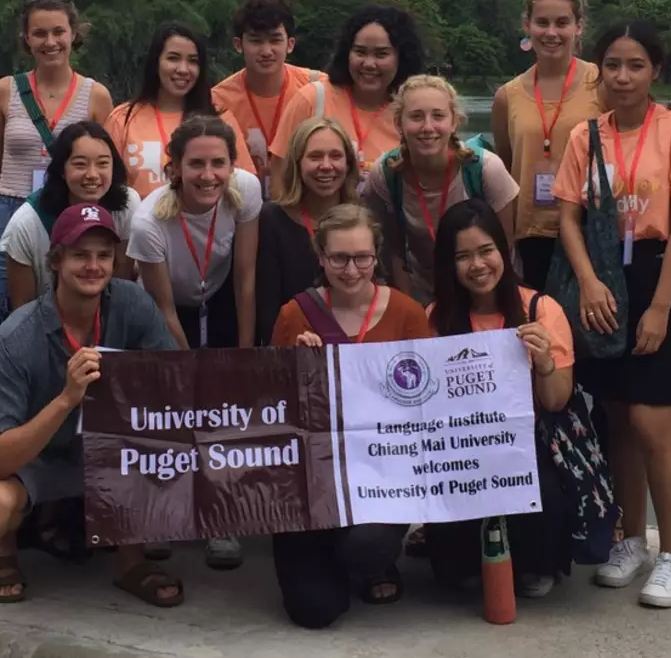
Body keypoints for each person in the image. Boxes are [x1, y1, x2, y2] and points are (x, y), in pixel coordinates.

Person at [555, 21, 671, 608]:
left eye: (637, 65)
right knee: (617, 418)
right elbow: (568, 217)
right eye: (613, 66)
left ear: (655, 71)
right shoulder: (584, 136)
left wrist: (659, 308)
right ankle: (631, 539)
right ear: (600, 71)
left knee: (654, 425)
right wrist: (590, 282)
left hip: (657, 277)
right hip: (601, 280)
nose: (623, 77)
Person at [0, 204, 184, 606]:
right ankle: (4, 551)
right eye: (80, 255)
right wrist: (67, 398)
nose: (93, 266)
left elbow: (172, 383)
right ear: (57, 260)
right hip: (33, 458)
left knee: (180, 457)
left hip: (106, 452)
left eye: (103, 255)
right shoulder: (17, 334)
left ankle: (130, 561)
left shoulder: (132, 303)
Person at [269, 204, 433, 628]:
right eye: (339, 258)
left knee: (368, 545)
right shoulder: (295, 314)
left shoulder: (406, 312)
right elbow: (271, 406)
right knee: (314, 610)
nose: (351, 269)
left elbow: (428, 403)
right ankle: (326, 558)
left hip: (380, 473)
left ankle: (369, 561)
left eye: (362, 257)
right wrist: (297, 368)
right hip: (312, 480)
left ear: (375, 257)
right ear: (320, 258)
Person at [125, 113, 263, 571]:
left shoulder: (246, 191)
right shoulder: (148, 221)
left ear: (232, 164)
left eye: (218, 163)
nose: (209, 176)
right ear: (175, 168)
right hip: (168, 308)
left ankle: (220, 516)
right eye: (197, 164)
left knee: (225, 407)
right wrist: (192, 371)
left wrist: (242, 358)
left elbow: (246, 277)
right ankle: (164, 515)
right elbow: (163, 308)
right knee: (173, 406)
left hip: (219, 296)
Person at [423, 200, 576, 599]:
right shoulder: (436, 318)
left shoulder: (541, 309)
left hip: (527, 441)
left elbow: (557, 402)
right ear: (448, 264)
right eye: (463, 256)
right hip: (462, 444)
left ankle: (535, 559)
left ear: (504, 251)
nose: (477, 265)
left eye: (486, 250)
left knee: (540, 498)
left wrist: (543, 362)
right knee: (454, 571)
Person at [0, 0, 111, 320]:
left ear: (74, 34)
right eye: (40, 33)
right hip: (8, 209)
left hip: (68, 212)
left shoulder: (96, 95)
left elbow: (105, 166)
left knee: (66, 309)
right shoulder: (6, 89)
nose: (51, 42)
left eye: (58, 32)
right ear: (27, 39)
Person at [491, 0, 604, 289]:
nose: (551, 32)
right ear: (527, 26)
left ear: (578, 27)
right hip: (530, 234)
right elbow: (507, 168)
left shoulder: (602, 84)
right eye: (542, 22)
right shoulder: (507, 96)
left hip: (588, 231)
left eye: (562, 23)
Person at [364, 75, 518, 303]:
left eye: (438, 116)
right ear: (399, 123)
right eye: (416, 117)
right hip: (421, 291)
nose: (427, 127)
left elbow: (505, 248)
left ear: (454, 121)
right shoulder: (386, 174)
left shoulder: (485, 169)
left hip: (483, 288)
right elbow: (393, 252)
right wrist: (410, 309)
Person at [270, 4, 424, 190]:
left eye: (381, 54)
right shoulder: (313, 98)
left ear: (402, 57)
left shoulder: (414, 112)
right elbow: (279, 173)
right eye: (360, 52)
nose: (369, 64)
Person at [0, 121, 141, 309]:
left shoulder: (127, 204)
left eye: (103, 163)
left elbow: (120, 288)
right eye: (80, 164)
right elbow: (22, 309)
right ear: (61, 170)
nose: (92, 174)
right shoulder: (27, 223)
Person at [107, 23, 251, 198]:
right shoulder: (122, 119)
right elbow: (109, 189)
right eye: (173, 58)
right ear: (156, 62)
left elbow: (246, 187)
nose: (183, 69)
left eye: (193, 61)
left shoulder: (220, 119)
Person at [254, 117, 360, 346]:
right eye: (315, 156)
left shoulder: (365, 218)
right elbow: (267, 305)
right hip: (294, 345)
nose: (326, 165)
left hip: (356, 349)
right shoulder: (272, 220)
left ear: (349, 163)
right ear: (297, 163)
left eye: (335, 156)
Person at [210, 0, 322, 185]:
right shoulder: (218, 100)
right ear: (239, 45)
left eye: (275, 40)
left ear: (290, 44)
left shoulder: (317, 88)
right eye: (256, 41)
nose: (266, 51)